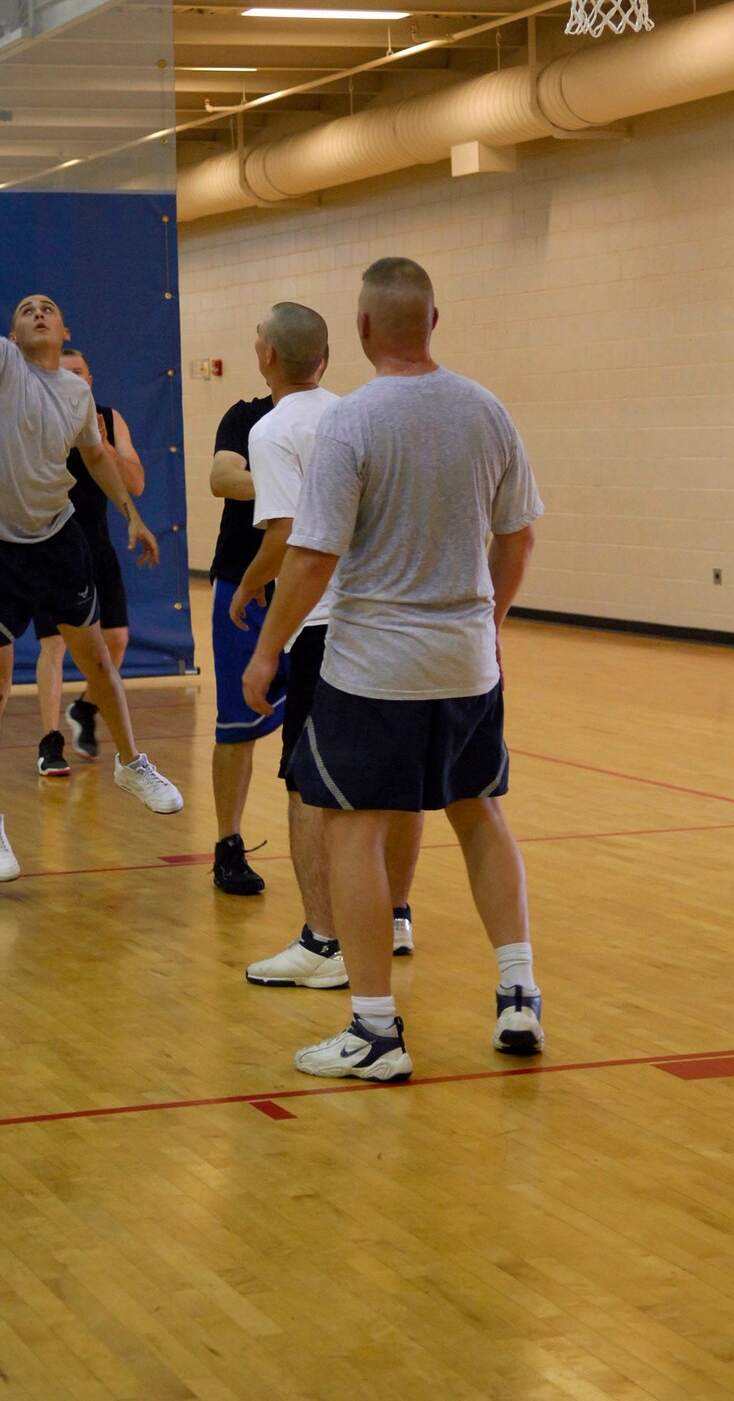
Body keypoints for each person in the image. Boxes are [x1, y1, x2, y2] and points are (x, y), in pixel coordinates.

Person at [242, 256, 544, 1084]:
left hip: (375, 666)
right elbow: (518, 538)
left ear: (366, 329)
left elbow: (311, 555)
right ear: (434, 321)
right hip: (466, 659)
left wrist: (269, 646)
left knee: (355, 829)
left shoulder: (355, 420)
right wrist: (493, 622)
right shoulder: (487, 410)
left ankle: (375, 1031)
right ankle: (518, 993)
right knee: (478, 813)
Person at [0, 170, 182, 883]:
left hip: (57, 536)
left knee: (97, 657)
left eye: (49, 309)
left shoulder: (77, 389)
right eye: (28, 307)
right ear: (10, 330)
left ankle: (131, 763)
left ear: (64, 331)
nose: (38, 311)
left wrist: (132, 517)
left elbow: (95, 457)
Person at [231, 302, 423, 991]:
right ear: (327, 357)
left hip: (326, 626)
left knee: (309, 786)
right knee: (396, 783)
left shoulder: (275, 427)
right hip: (390, 622)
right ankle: (394, 916)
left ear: (268, 358)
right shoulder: (359, 413)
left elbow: (287, 532)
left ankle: (322, 942)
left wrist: (251, 589)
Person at [34, 348, 145, 776]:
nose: (71, 380)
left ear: (90, 379)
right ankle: (49, 743)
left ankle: (84, 708)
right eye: (63, 373)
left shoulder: (108, 418)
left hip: (96, 543)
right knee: (55, 645)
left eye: (78, 372)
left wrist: (104, 445)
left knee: (116, 640)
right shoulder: (36, 417)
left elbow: (134, 481)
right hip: (49, 544)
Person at [208, 388, 286, 896]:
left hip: (319, 585)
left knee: (323, 720)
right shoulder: (247, 415)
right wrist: (289, 488)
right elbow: (223, 479)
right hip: (243, 578)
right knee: (237, 723)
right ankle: (228, 844)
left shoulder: (337, 415)